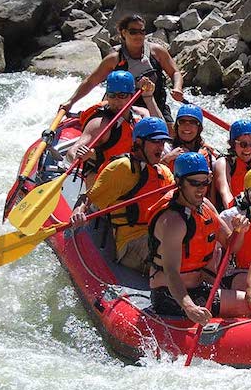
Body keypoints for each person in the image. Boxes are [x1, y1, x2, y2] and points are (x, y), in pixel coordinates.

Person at [147, 152, 250, 325]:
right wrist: (189, 307)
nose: (201, 188)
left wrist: (240, 231)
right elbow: (171, 272)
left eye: (205, 182)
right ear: (179, 182)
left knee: (250, 301)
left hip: (200, 287)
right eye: (194, 183)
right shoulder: (173, 222)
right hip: (171, 294)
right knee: (246, 305)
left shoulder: (206, 205)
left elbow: (230, 245)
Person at [69, 117, 174, 274]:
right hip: (131, 243)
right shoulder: (122, 168)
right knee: (171, 249)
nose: (161, 147)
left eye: (162, 142)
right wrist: (78, 211)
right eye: (155, 142)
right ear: (138, 143)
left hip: (156, 235)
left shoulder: (164, 172)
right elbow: (88, 198)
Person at [60, 14, 183, 132]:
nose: (138, 35)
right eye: (133, 32)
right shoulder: (114, 58)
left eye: (142, 31)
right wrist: (71, 102)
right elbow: (91, 82)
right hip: (121, 108)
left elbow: (175, 72)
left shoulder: (157, 52)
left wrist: (177, 88)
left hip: (156, 104)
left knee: (170, 135)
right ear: (124, 33)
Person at [67, 70, 161, 187]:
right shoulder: (100, 124)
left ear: (132, 95)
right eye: (112, 95)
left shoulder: (140, 114)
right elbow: (71, 152)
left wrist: (148, 97)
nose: (116, 101)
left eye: (122, 96)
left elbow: (160, 131)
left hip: (133, 177)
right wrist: (77, 156)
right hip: (105, 184)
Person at [212, 119, 251, 209]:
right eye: (243, 144)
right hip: (234, 210)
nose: (248, 149)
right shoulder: (224, 163)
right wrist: (235, 213)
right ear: (233, 144)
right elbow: (225, 192)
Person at [160, 104, 219, 175]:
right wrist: (168, 158)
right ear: (177, 126)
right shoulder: (166, 149)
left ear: (199, 128)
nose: (187, 126)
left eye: (193, 122)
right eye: (182, 121)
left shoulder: (208, 154)